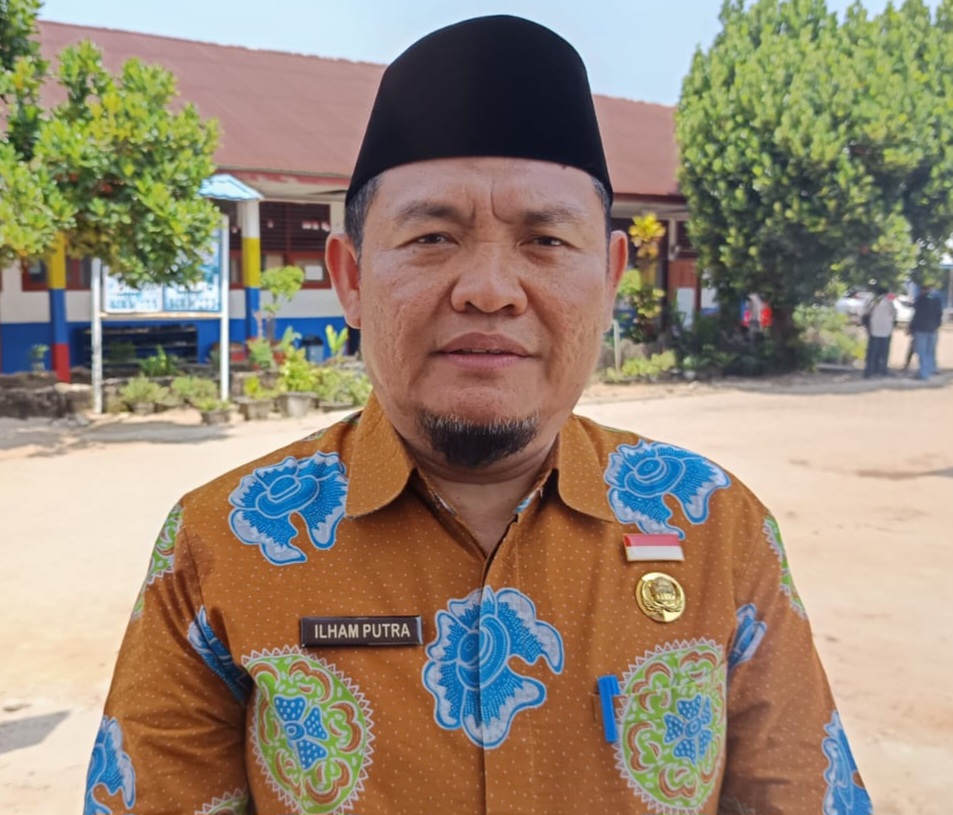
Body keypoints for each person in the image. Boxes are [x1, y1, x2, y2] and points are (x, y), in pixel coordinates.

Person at [84, 16, 871, 815]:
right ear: (351, 278)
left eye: (545, 241)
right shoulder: (223, 543)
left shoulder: (714, 527)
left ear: (608, 279)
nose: (489, 290)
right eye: (432, 237)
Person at [909, 283, 944, 379]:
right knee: (930, 351)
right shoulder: (937, 299)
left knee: (922, 351)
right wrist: (937, 325)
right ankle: (930, 370)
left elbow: (917, 315)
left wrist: (911, 328)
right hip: (933, 329)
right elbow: (939, 314)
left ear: (922, 289)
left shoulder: (921, 299)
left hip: (921, 329)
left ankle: (923, 373)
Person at [862, 284, 896, 377]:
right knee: (884, 352)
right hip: (886, 329)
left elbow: (865, 312)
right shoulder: (889, 301)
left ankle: (869, 370)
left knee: (872, 351)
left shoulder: (871, 301)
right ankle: (882, 369)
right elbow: (893, 313)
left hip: (874, 328)